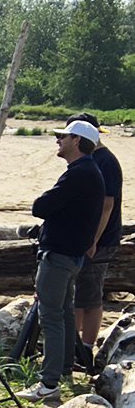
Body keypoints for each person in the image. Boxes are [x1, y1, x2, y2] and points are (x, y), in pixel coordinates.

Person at [18, 120, 105, 402]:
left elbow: (40, 206)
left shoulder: (80, 173)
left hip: (60, 256)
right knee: (65, 312)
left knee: (51, 316)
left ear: (77, 141)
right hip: (71, 255)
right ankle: (64, 369)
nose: (58, 140)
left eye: (63, 136)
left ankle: (49, 382)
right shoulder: (87, 171)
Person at [66, 113, 123, 359]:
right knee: (81, 292)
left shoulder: (105, 161)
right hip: (88, 236)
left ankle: (82, 348)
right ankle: (75, 344)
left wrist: (93, 239)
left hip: (100, 238)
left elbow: (107, 204)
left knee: (87, 294)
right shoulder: (91, 159)